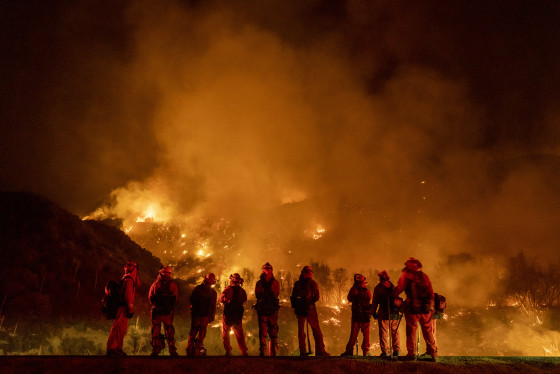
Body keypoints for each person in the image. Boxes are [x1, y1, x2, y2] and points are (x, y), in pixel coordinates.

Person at [393, 258, 437, 362]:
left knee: (411, 332)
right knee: (428, 331)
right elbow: (431, 292)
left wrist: (391, 295)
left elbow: (399, 288)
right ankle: (434, 354)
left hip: (412, 309)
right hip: (426, 309)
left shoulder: (406, 275)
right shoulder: (424, 276)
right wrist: (431, 306)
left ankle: (411, 354)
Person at [290, 266, 330, 356]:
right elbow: (316, 297)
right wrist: (309, 302)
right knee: (316, 330)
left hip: (300, 309)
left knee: (301, 330)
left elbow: (293, 297)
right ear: (310, 273)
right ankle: (320, 350)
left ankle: (302, 351)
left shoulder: (297, 283)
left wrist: (298, 304)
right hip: (310, 308)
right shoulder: (313, 283)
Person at [106, 261, 139, 356]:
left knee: (121, 328)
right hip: (123, 308)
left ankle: (117, 348)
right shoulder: (129, 280)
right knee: (118, 328)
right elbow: (128, 296)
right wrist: (130, 309)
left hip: (121, 307)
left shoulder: (125, 279)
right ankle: (112, 348)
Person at [149, 266, 179, 357]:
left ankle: (155, 350)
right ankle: (172, 350)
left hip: (156, 312)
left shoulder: (156, 284)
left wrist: (157, 305)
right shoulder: (173, 285)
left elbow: (150, 297)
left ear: (160, 273)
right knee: (169, 330)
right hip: (167, 312)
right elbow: (175, 298)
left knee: (155, 331)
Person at [187, 272, 217, 356]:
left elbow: (191, 299)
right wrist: (212, 316)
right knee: (202, 333)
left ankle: (189, 350)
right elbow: (213, 305)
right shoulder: (213, 292)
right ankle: (198, 350)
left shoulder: (197, 288)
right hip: (205, 316)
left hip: (196, 314)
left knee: (193, 332)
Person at [341, 274, 371, 356]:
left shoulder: (354, 290)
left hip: (356, 316)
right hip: (365, 316)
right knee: (366, 335)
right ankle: (366, 351)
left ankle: (349, 351)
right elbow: (369, 300)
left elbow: (349, 298)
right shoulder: (367, 291)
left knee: (353, 334)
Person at [372, 270, 400, 358]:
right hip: (394, 314)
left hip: (384, 313)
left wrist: (373, 312)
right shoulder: (393, 287)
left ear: (380, 279)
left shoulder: (378, 288)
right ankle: (397, 350)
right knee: (395, 332)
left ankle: (385, 351)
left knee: (384, 333)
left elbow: (375, 301)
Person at [254, 262, 280, 356]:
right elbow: (258, 295)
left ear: (271, 270)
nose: (267, 270)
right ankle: (263, 350)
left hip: (271, 309)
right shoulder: (260, 283)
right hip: (263, 309)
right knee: (263, 330)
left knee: (273, 330)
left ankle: (273, 351)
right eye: (265, 268)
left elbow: (276, 294)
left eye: (268, 268)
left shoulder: (274, 282)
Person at [220, 273, 249, 356]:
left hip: (228, 313)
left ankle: (228, 350)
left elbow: (221, 299)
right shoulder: (241, 290)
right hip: (237, 314)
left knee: (226, 333)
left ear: (231, 280)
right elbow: (244, 299)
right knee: (239, 333)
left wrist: (228, 301)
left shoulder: (228, 289)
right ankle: (243, 351)